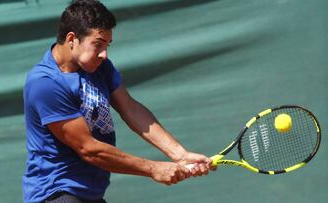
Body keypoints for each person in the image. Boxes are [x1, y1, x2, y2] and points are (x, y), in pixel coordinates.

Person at [22, 0, 214, 202]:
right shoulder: (45, 84)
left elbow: (130, 109)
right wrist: (153, 168)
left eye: (107, 45)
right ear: (72, 39)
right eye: (98, 44)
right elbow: (89, 149)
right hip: (56, 193)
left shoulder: (99, 66)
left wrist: (180, 154)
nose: (104, 54)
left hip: (89, 193)